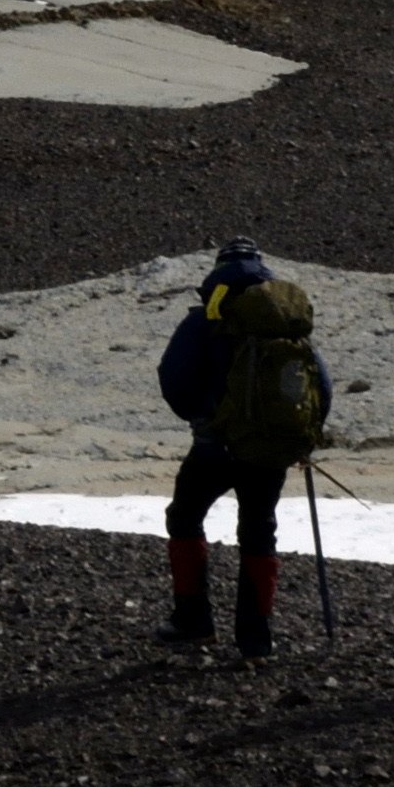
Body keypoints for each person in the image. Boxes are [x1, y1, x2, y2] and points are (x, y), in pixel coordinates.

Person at [152, 240, 326, 657]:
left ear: (218, 272)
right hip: (270, 451)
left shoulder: (204, 321)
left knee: (185, 517)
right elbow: (319, 381)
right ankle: (255, 638)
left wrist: (201, 419)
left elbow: (172, 378)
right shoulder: (283, 322)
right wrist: (304, 436)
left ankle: (193, 622)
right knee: (259, 530)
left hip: (214, 446)